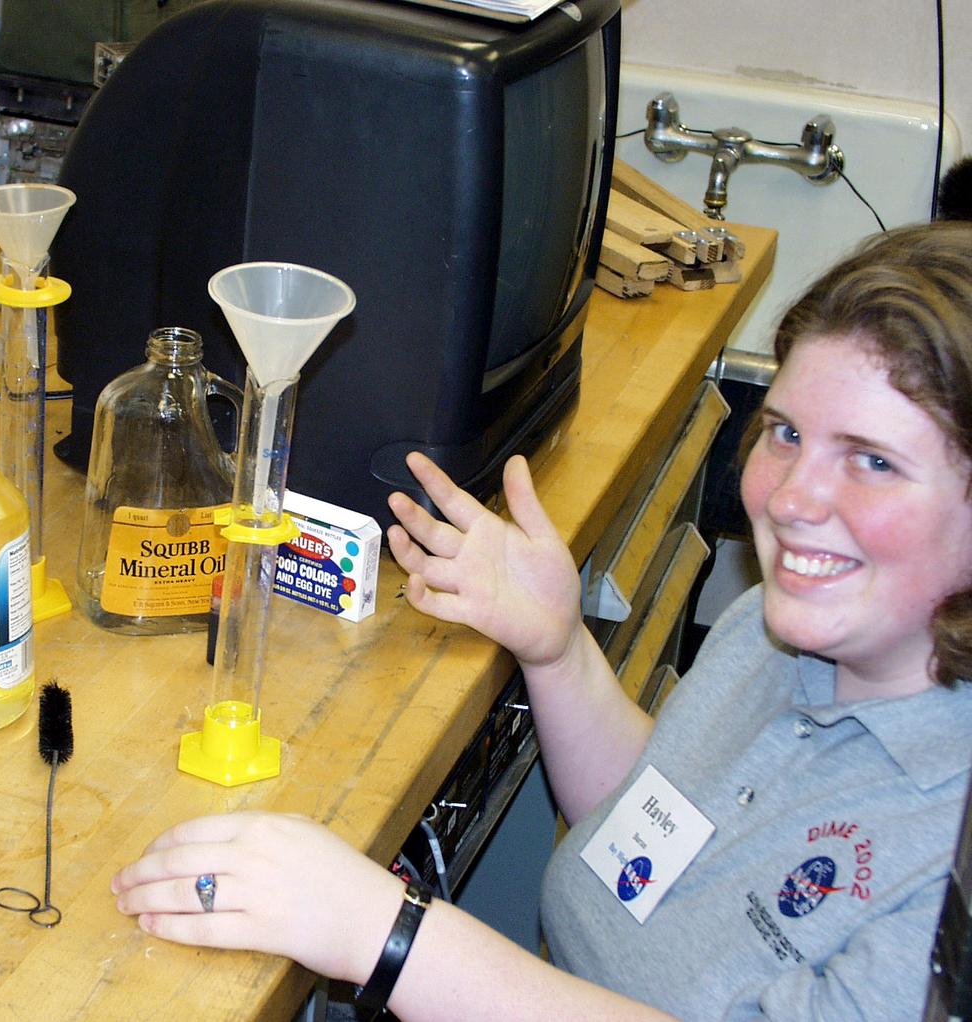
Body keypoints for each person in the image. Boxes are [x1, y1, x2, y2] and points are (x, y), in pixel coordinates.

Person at [112, 219, 972, 1021]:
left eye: (873, 461)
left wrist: (386, 933)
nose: (789, 499)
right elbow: (658, 833)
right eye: (785, 433)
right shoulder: (784, 629)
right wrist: (557, 651)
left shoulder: (951, 850)